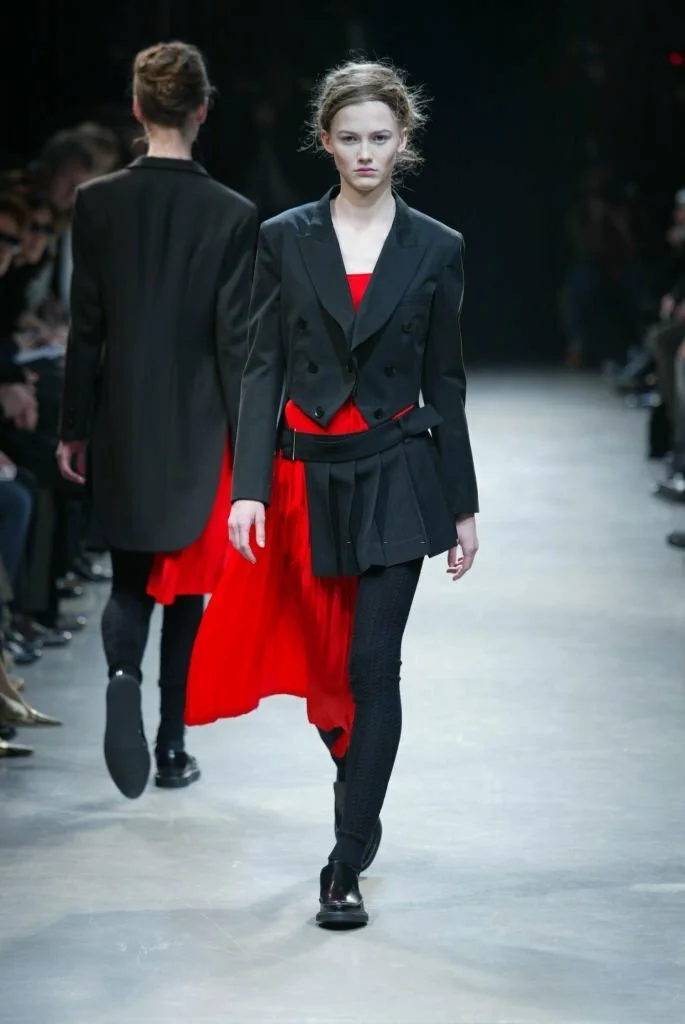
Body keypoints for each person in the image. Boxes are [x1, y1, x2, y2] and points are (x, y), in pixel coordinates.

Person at [187, 60, 479, 928]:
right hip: (302, 476)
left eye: (379, 138)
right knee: (324, 671)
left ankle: (344, 860)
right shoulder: (285, 236)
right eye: (349, 138)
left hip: (397, 470)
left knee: (370, 666)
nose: (364, 153)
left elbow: (446, 382)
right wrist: (245, 489)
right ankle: (360, 788)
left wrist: (462, 503)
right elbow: (261, 364)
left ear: (403, 140)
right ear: (325, 140)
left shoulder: (437, 246)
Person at [56, 41, 258, 800]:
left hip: (121, 417)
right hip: (200, 425)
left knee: (129, 578)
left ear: (138, 109)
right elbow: (235, 344)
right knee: (188, 590)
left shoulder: (96, 202)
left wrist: (73, 427)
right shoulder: (233, 214)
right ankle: (172, 745)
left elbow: (85, 329)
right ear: (203, 110)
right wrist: (252, 445)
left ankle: (121, 676)